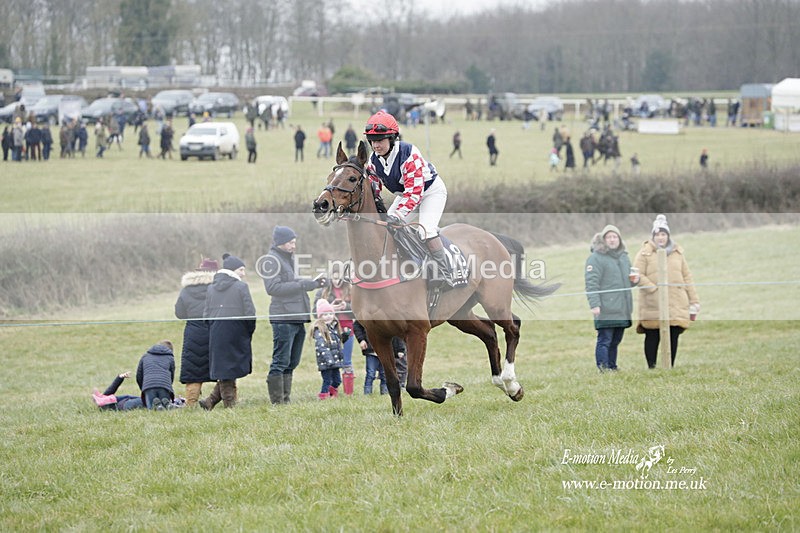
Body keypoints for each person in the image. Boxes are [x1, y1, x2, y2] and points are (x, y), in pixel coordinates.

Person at [364, 110, 463, 286]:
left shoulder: (408, 154)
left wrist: (397, 215)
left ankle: (445, 273)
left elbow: (415, 193)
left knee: (426, 231)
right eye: (372, 141)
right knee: (387, 229)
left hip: (430, 192)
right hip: (406, 196)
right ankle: (408, 265)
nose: (375, 145)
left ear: (392, 138)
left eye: (379, 140)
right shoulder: (373, 161)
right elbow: (375, 191)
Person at [263, 226, 327, 404]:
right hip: (283, 317)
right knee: (281, 361)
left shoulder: (287, 259)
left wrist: (313, 283)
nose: (294, 245)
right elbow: (272, 288)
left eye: (294, 242)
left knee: (292, 361)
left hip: (297, 316)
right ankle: (277, 402)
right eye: (290, 242)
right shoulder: (271, 260)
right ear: (280, 242)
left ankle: (285, 398)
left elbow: (292, 282)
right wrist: (303, 285)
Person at [633, 214, 700, 368]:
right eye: (657, 235)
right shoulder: (644, 253)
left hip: (676, 301)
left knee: (673, 334)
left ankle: (669, 366)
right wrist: (653, 288)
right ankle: (652, 367)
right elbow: (637, 274)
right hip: (653, 302)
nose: (660, 238)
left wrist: (694, 300)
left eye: (663, 234)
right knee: (652, 334)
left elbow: (687, 276)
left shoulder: (678, 253)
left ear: (668, 236)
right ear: (653, 236)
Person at [200, 253, 256, 409]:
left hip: (217, 333)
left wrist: (214, 329)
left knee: (226, 368)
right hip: (237, 332)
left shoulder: (211, 288)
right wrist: (247, 332)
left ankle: (210, 401)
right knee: (228, 369)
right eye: (241, 270)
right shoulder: (241, 287)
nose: (243, 273)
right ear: (232, 271)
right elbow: (250, 313)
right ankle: (229, 406)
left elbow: (206, 315)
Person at [585, 225, 635, 372]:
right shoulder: (595, 258)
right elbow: (591, 283)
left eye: (615, 237)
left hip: (622, 307)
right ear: (603, 240)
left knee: (616, 340)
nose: (612, 240)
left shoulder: (624, 257)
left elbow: (628, 280)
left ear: (619, 239)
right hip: (606, 307)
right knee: (605, 340)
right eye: (609, 237)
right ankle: (603, 368)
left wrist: (635, 280)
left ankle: (612, 366)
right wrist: (595, 304)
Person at [174, 258, 218, 407]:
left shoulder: (187, 290)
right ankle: (229, 400)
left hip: (194, 332)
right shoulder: (219, 288)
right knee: (223, 368)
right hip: (216, 330)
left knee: (193, 369)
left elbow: (179, 313)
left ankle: (191, 403)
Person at [314, 264, 355, 392]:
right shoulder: (323, 291)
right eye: (334, 278)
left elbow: (358, 311)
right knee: (331, 362)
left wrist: (346, 306)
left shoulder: (351, 290)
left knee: (346, 360)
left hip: (347, 328)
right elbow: (315, 312)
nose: (337, 281)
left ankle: (348, 391)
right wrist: (330, 309)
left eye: (339, 278)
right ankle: (331, 390)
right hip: (328, 330)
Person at [310, 299, 351, 400]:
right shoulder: (319, 329)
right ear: (320, 316)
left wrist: (345, 335)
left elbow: (339, 341)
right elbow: (321, 347)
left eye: (330, 313)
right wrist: (329, 360)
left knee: (337, 381)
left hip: (335, 360)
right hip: (326, 362)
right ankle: (323, 396)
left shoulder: (334, 327)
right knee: (327, 380)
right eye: (325, 314)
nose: (328, 316)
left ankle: (332, 394)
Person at [353, 320, 407, 394]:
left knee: (385, 373)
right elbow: (357, 325)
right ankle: (367, 393)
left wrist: (400, 349)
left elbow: (397, 332)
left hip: (386, 350)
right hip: (371, 351)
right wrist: (361, 340)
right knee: (371, 373)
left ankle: (385, 392)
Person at [135, 340, 176, 410]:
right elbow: (171, 375)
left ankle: (158, 406)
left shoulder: (145, 356)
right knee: (166, 409)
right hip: (164, 385)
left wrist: (143, 388)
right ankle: (164, 405)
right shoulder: (170, 358)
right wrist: (168, 386)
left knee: (152, 410)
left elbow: (139, 375)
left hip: (148, 386)